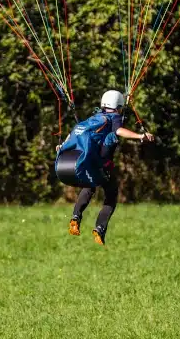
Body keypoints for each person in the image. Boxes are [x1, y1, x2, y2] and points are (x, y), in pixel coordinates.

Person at [54, 90, 153, 245]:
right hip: (102, 166)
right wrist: (140, 136)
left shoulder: (95, 117)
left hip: (88, 163)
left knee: (89, 187)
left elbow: (75, 131)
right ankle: (99, 229)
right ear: (119, 105)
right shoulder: (115, 118)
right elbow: (119, 131)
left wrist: (63, 146)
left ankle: (75, 217)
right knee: (111, 196)